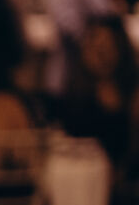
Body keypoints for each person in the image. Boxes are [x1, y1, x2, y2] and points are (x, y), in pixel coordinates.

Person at [59, 14, 139, 186]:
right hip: (82, 180)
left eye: (107, 47)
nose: (100, 55)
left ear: (120, 50)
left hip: (126, 185)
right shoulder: (75, 93)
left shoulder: (132, 92)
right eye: (94, 46)